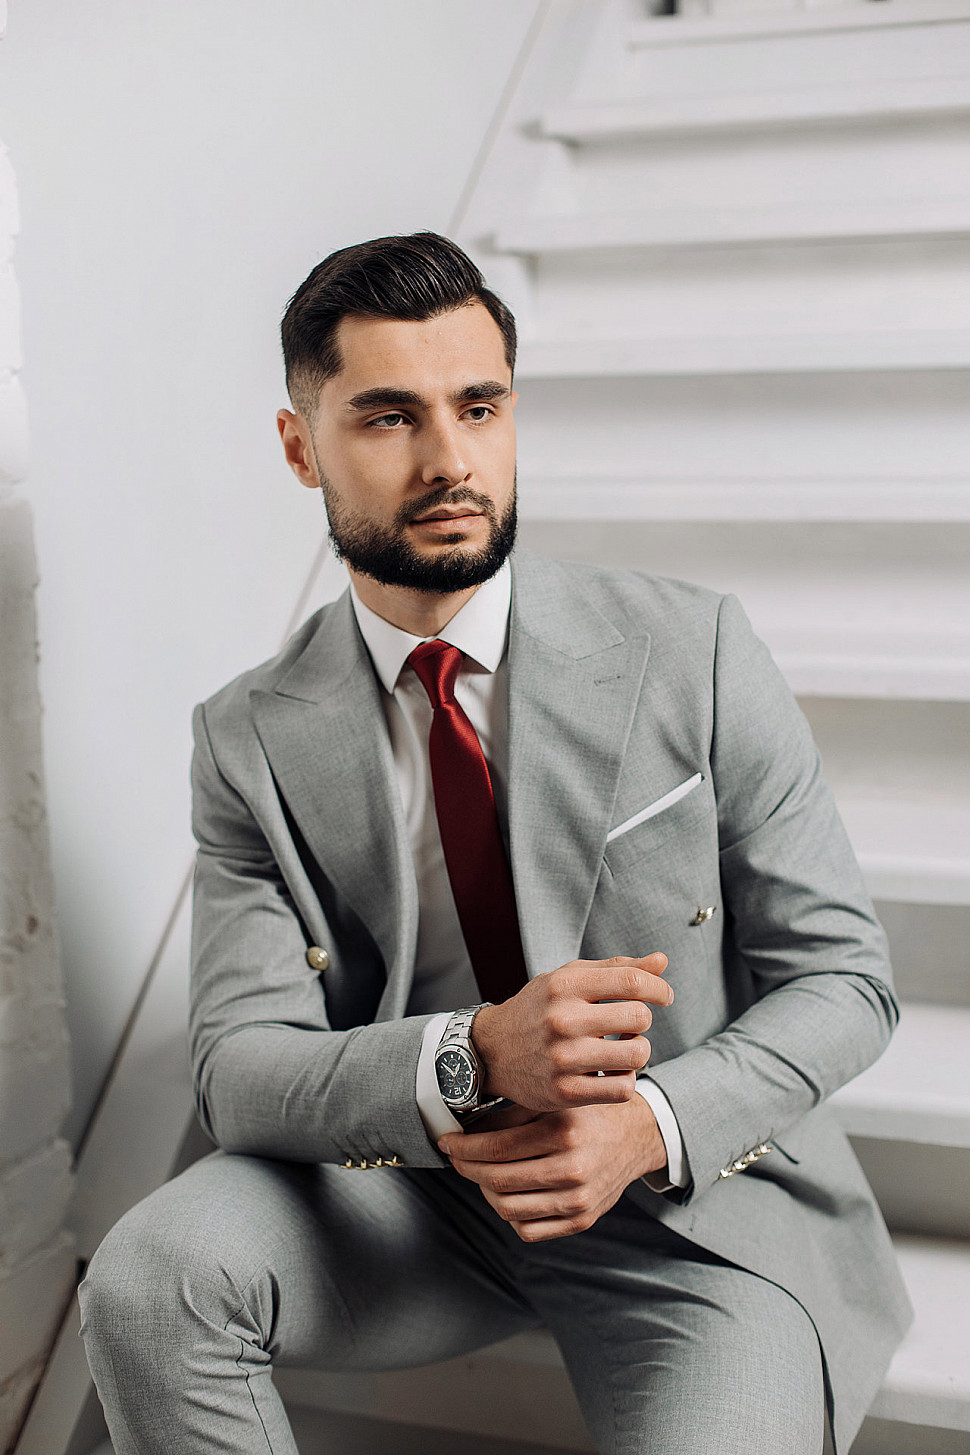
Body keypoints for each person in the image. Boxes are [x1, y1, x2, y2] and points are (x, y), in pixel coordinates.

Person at [80, 232, 911, 1455]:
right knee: (150, 1281)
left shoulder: (692, 649)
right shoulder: (247, 737)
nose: (451, 461)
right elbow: (239, 1070)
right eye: (389, 418)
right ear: (301, 447)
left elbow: (844, 979)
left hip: (692, 1203)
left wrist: (650, 1123)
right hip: (412, 1195)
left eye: (479, 407)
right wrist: (469, 1058)